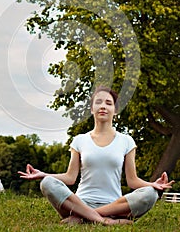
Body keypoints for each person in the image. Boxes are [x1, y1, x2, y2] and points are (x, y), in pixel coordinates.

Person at [18, 85, 174, 225]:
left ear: (115, 110)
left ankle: (82, 217)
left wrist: (152, 185)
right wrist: (43, 175)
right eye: (98, 102)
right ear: (92, 109)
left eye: (108, 103)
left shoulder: (126, 141)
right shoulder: (80, 140)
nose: (103, 106)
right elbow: (70, 177)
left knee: (150, 194)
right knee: (47, 183)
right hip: (80, 202)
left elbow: (132, 181)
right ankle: (104, 220)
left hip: (114, 206)